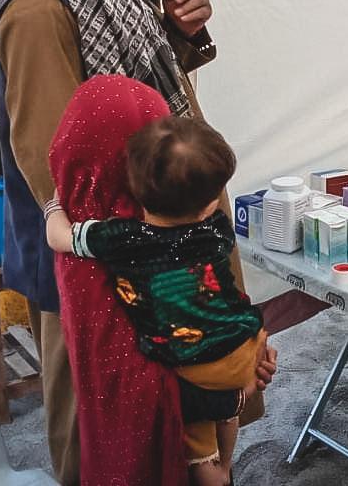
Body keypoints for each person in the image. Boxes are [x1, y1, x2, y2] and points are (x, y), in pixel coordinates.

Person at [0, 0, 257, 484]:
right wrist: (158, 248)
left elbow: (123, 115)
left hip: (152, 260)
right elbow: (61, 168)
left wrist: (177, 38)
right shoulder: (39, 2)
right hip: (101, 282)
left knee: (173, 448)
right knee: (105, 456)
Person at [48, 74, 275, 486]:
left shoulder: (111, 245)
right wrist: (239, 382)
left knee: (199, 452)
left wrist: (52, 206)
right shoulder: (211, 228)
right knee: (218, 433)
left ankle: (214, 467)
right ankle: (221, 466)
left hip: (191, 389)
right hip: (236, 352)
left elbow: (125, 391)